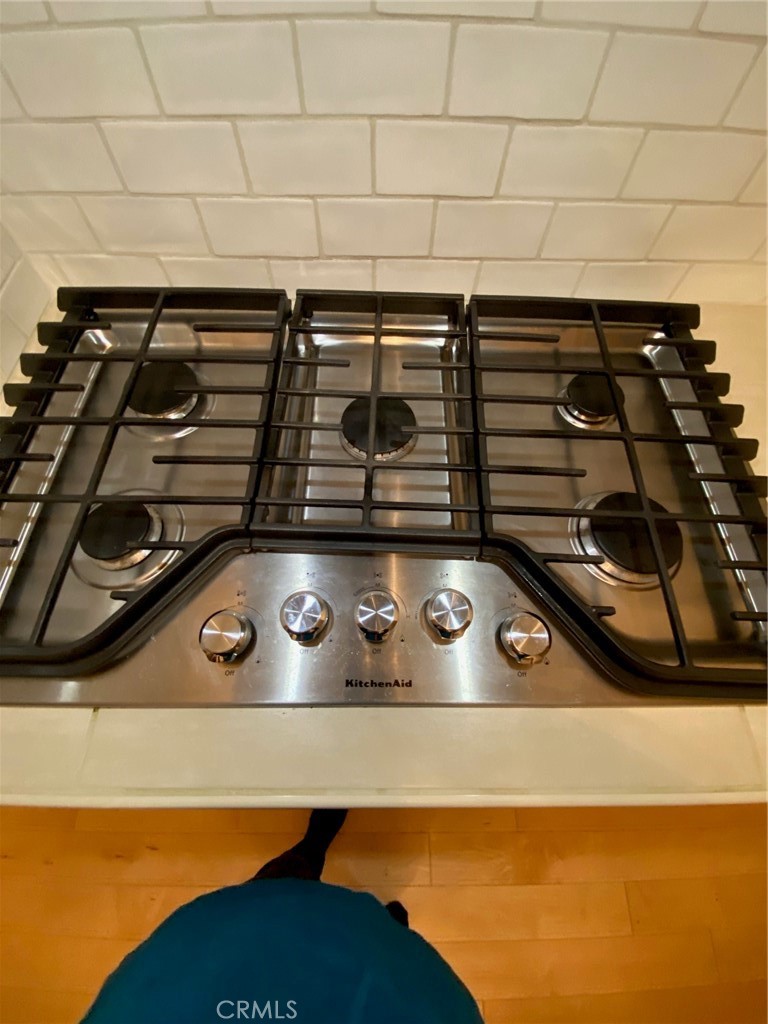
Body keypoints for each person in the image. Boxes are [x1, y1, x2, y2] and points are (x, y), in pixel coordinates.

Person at [82, 809, 483, 1024]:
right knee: (389, 960)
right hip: (393, 996)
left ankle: (324, 864)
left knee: (276, 895)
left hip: (213, 967)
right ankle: (386, 931)